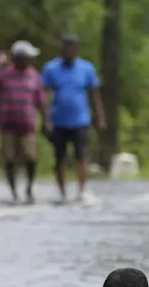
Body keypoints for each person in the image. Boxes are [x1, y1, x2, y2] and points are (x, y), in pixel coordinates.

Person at [42, 35, 105, 203]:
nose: (66, 52)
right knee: (59, 157)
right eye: (64, 48)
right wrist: (45, 118)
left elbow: (94, 95)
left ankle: (82, 189)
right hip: (59, 120)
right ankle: (61, 191)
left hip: (80, 119)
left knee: (81, 155)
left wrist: (100, 117)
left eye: (70, 49)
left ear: (76, 51)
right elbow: (44, 95)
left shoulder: (86, 69)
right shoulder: (51, 68)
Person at [0, 40, 45, 204]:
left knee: (31, 158)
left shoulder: (34, 76)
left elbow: (41, 101)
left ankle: (29, 188)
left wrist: (46, 120)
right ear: (18, 58)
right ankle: (13, 192)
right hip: (8, 125)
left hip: (27, 125)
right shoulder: (5, 74)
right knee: (9, 159)